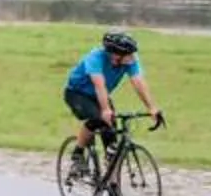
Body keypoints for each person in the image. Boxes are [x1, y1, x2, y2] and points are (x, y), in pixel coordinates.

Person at [64, 29, 162, 182]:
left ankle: (113, 184)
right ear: (115, 54)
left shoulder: (128, 60)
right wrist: (105, 110)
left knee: (112, 140)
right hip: (77, 94)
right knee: (99, 119)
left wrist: (152, 108)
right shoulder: (95, 58)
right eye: (128, 54)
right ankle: (78, 154)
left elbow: (138, 82)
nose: (132, 58)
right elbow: (99, 85)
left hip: (100, 95)